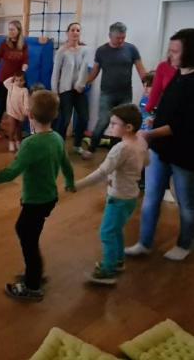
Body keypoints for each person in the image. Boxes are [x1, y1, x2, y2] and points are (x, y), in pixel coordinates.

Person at [0, 90, 74, 301]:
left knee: (27, 237)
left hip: (35, 201)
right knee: (30, 235)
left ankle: (33, 285)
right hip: (48, 198)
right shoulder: (56, 138)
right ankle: (34, 273)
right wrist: (71, 182)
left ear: (29, 115)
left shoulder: (30, 144)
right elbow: (66, 164)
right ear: (55, 115)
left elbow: (11, 173)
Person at [126, 28, 194, 262]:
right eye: (170, 49)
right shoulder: (178, 74)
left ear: (191, 52)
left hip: (189, 152)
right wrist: (155, 122)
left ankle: (184, 244)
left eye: (175, 50)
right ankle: (144, 242)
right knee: (151, 196)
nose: (170, 54)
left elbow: (184, 123)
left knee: (186, 202)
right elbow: (169, 108)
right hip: (162, 147)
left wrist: (149, 133)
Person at [74, 104, 148, 285]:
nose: (110, 127)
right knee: (116, 230)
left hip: (118, 197)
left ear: (128, 127)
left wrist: (77, 185)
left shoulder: (121, 148)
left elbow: (101, 172)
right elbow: (146, 161)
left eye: (114, 124)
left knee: (107, 232)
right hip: (131, 196)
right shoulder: (140, 140)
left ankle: (108, 271)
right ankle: (118, 260)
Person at [85, 22, 147, 153]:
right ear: (110, 36)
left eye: (123, 37)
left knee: (123, 123)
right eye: (118, 38)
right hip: (107, 93)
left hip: (125, 93)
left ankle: (115, 151)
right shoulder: (101, 51)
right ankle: (91, 148)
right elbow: (95, 70)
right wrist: (86, 82)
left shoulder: (131, 49)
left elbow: (141, 69)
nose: (121, 40)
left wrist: (148, 86)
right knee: (103, 121)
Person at [51, 22, 91, 158]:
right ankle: (59, 147)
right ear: (67, 32)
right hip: (65, 89)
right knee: (64, 119)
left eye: (78, 30)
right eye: (72, 30)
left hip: (79, 89)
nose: (75, 32)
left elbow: (84, 69)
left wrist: (80, 85)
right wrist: (54, 92)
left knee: (84, 117)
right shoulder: (61, 51)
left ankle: (77, 145)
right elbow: (55, 73)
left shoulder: (85, 50)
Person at [0, 21, 29, 139]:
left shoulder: (23, 45)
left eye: (13, 29)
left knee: (16, 106)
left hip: (16, 81)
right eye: (9, 29)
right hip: (4, 81)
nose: (10, 32)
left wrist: (22, 74)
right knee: (2, 105)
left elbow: (26, 61)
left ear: (18, 31)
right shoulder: (4, 44)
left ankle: (14, 131)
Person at [3, 72, 30, 152]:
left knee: (19, 129)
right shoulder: (11, 86)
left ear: (24, 81)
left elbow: (26, 101)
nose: (18, 82)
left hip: (20, 112)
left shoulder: (24, 90)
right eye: (17, 80)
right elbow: (5, 82)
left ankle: (18, 142)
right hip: (11, 111)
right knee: (12, 128)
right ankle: (11, 141)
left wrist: (26, 110)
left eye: (21, 80)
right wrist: (13, 77)